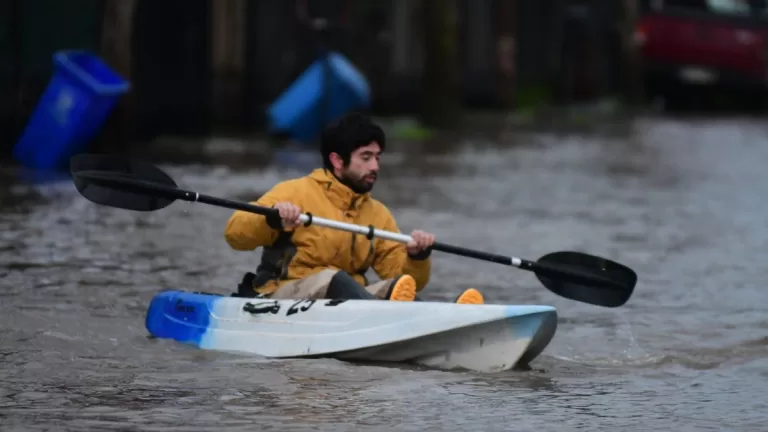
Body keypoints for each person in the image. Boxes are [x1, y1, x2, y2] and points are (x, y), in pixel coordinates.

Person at [224, 112, 484, 304]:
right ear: (337, 161)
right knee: (334, 279)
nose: (375, 167)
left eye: (377, 158)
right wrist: (272, 220)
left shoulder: (378, 214)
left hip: (349, 302)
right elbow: (234, 235)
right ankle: (396, 323)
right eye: (366, 157)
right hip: (282, 295)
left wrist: (417, 258)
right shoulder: (294, 192)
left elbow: (403, 278)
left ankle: (447, 320)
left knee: (394, 288)